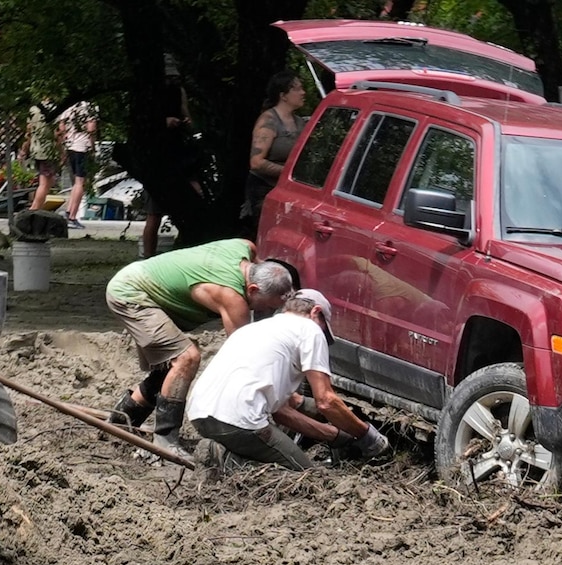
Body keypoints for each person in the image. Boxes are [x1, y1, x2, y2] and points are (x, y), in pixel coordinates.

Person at [104, 239, 296, 457]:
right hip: (131, 293)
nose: (268, 312)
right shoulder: (232, 298)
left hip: (141, 280)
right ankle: (165, 439)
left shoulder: (244, 247)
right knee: (186, 358)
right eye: (269, 307)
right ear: (252, 289)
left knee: (170, 368)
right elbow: (245, 354)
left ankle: (121, 420)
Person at [188, 289, 389, 470]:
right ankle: (225, 460)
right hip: (239, 421)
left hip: (200, 416)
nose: (323, 335)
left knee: (278, 453)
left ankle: (222, 450)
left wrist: (335, 436)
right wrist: (367, 435)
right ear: (315, 312)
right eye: (324, 328)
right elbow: (326, 401)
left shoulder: (256, 329)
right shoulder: (310, 329)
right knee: (304, 475)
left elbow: (283, 413)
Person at [142, 55, 204, 259]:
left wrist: (185, 122)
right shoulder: (149, 92)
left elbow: (189, 117)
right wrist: (164, 122)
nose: (172, 81)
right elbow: (144, 122)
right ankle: (148, 257)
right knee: (154, 214)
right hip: (158, 156)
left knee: (193, 200)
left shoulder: (179, 92)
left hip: (179, 153)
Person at [241, 71, 309, 237]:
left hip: (289, 191)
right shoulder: (268, 121)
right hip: (264, 192)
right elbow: (256, 162)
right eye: (298, 89)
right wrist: (289, 172)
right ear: (283, 95)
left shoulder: (300, 123)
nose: (303, 92)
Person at [59, 100, 97, 228]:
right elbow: (91, 128)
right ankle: (73, 216)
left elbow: (62, 127)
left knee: (76, 181)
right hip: (82, 146)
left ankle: (68, 210)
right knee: (81, 182)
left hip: (70, 146)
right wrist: (92, 146)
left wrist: (65, 143)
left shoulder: (69, 106)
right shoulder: (89, 107)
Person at [25, 101, 60, 212]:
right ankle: (34, 209)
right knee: (44, 184)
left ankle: (37, 208)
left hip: (36, 148)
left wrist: (26, 148)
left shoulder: (33, 109)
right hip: (47, 150)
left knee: (47, 182)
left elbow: (29, 131)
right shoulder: (54, 109)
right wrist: (62, 151)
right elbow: (57, 133)